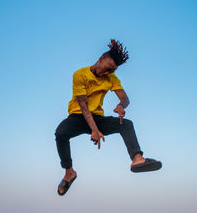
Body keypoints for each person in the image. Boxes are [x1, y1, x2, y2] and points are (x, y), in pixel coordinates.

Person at [55, 39, 162, 196]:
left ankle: (137, 158)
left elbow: (125, 98)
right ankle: (69, 172)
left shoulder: (111, 78)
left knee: (126, 124)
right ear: (100, 60)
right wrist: (94, 130)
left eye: (111, 71)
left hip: (97, 117)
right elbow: (83, 106)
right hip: (78, 117)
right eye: (107, 69)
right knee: (61, 133)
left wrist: (121, 105)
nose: (107, 73)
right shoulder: (80, 74)